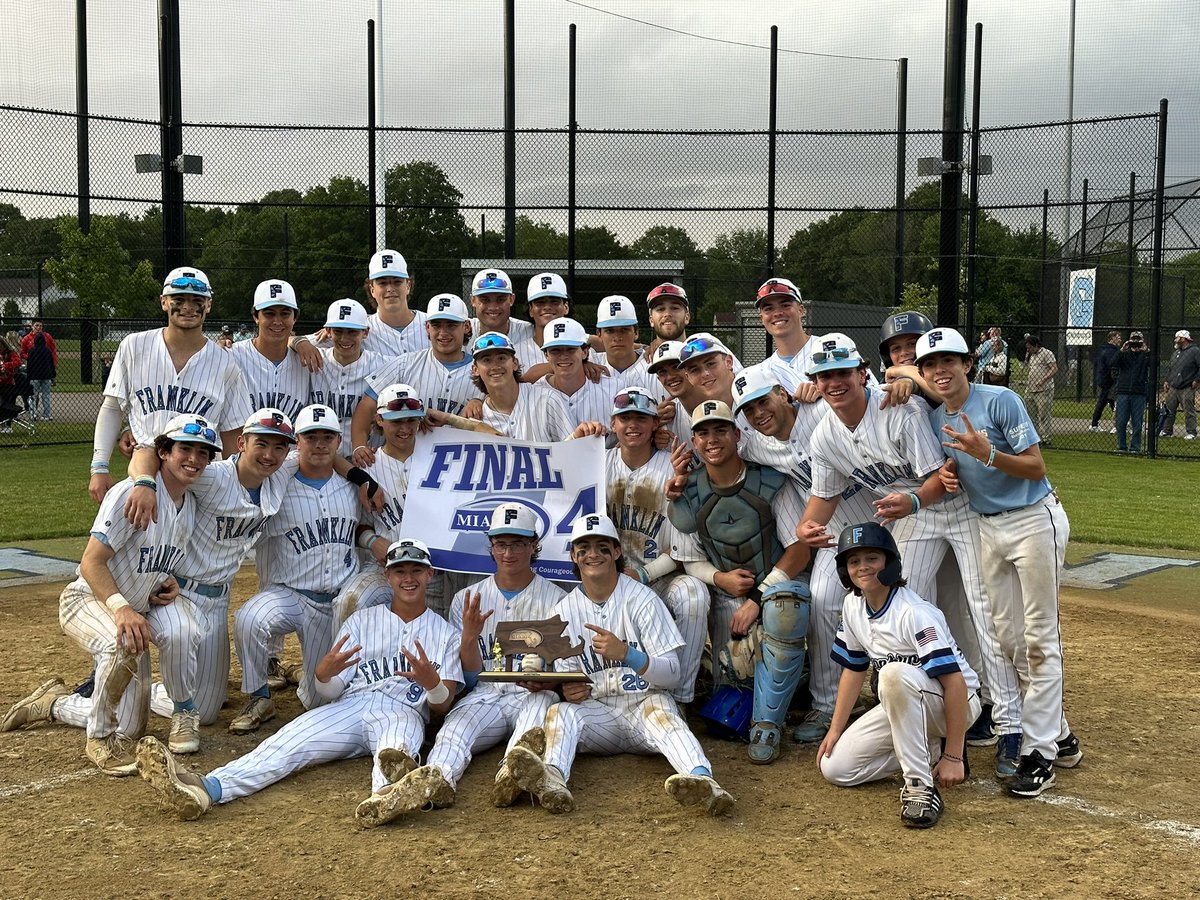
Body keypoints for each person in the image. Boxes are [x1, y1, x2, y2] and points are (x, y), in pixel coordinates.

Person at [796, 333, 1019, 757]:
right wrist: (806, 526)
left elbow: (944, 476)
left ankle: (1008, 723)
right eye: (825, 377)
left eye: (843, 372)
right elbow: (824, 497)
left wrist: (914, 499)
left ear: (863, 374)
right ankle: (920, 712)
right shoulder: (825, 434)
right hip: (913, 515)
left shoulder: (899, 409)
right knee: (899, 606)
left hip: (959, 506)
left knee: (986, 612)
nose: (834, 383)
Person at [136, 538, 462, 823]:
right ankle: (208, 788)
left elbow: (442, 704)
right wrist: (323, 675)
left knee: (395, 748)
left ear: (429, 575)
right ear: (387, 575)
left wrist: (432, 682)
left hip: (403, 710)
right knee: (286, 743)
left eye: (416, 570)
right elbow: (332, 689)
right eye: (401, 571)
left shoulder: (446, 634)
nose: (409, 578)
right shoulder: (362, 621)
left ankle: (386, 795)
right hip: (352, 706)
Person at [1, 415, 219, 774]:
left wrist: (171, 581)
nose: (194, 458)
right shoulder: (130, 495)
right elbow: (91, 563)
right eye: (185, 448)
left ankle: (54, 704)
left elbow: (156, 559)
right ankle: (99, 740)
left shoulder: (190, 507)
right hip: (88, 599)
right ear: (163, 451)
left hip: (136, 609)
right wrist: (120, 609)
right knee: (118, 647)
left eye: (203, 453)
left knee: (133, 724)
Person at [916, 326, 1082, 798]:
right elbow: (952, 470)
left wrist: (986, 453)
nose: (940, 370)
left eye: (949, 361)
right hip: (989, 527)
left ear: (969, 363)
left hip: (1033, 519)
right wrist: (950, 474)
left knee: (1038, 637)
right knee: (1008, 639)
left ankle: (1039, 754)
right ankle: (1060, 734)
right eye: (930, 365)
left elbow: (1035, 466)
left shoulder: (1001, 400)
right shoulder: (934, 421)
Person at [502, 513, 736, 817]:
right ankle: (553, 779)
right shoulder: (564, 610)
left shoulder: (642, 600)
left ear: (616, 552)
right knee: (559, 712)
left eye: (602, 547)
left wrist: (628, 654)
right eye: (583, 548)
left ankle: (704, 780)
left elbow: (673, 673)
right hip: (600, 716)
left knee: (665, 717)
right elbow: (567, 678)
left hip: (644, 705)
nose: (592, 554)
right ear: (573, 555)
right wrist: (563, 687)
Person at [364, 503, 567, 823]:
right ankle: (435, 781)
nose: (509, 552)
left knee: (539, 711)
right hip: (486, 691)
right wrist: (470, 639)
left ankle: (510, 775)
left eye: (518, 543)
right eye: (501, 544)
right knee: (454, 731)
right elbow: (471, 679)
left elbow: (563, 673)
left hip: (530, 693)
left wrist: (549, 681)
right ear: (492, 546)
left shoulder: (557, 598)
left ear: (533, 545)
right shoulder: (467, 598)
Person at [667, 400, 810, 764]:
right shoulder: (688, 490)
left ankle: (768, 725)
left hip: (776, 586)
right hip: (728, 593)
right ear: (694, 442)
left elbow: (799, 550)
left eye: (720, 430)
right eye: (702, 433)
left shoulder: (769, 479)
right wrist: (719, 578)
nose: (712, 440)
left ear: (736, 434)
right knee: (731, 698)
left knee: (785, 605)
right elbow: (687, 558)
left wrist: (758, 598)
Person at [817, 523, 981, 829]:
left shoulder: (914, 612)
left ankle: (921, 788)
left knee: (892, 675)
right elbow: (854, 670)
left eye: (872, 558)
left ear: (889, 562)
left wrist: (955, 755)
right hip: (909, 703)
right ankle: (929, 748)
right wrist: (835, 729)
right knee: (836, 767)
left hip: (955, 705)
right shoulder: (853, 605)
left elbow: (955, 682)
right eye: (854, 561)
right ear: (844, 570)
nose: (863, 567)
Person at [228, 404, 366, 734]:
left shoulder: (352, 488)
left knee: (320, 700)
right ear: (297, 442)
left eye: (327, 437)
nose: (319, 444)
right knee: (250, 618)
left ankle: (303, 675)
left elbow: (364, 530)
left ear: (338, 442)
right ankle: (258, 696)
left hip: (334, 604)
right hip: (289, 594)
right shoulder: (276, 482)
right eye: (310, 437)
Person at [90, 267, 251, 514]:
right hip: (144, 476)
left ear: (208, 305)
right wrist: (99, 467)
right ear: (164, 302)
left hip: (200, 482)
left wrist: (233, 487)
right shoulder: (134, 346)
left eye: (197, 300)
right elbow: (112, 408)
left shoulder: (226, 363)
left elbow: (232, 435)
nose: (188, 307)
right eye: (179, 299)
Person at [605, 386, 709, 703]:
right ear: (613, 424)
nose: (632, 425)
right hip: (608, 581)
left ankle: (679, 697)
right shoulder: (597, 465)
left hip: (659, 577)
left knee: (693, 593)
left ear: (655, 425)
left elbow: (683, 550)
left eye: (641, 417)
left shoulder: (673, 468)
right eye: (625, 418)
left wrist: (644, 575)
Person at [307, 299, 383, 458]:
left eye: (352, 331)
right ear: (328, 331)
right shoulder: (314, 358)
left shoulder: (382, 364)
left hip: (366, 460)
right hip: (320, 460)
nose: (344, 338)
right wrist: (299, 342)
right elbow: (282, 344)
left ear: (365, 332)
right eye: (338, 331)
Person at [228, 279, 310, 422]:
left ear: (295, 318)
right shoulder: (232, 355)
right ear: (256, 317)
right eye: (269, 314)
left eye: (285, 314)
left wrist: (300, 341)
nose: (277, 321)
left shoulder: (307, 359)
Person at [535, 317, 614, 429]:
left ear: (585, 352)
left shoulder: (614, 389)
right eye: (555, 350)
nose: (563, 356)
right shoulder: (534, 393)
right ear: (546, 355)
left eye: (570, 349)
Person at [469, 268, 533, 345]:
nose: (493, 307)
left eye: (501, 299)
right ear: (473, 300)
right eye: (485, 300)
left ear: (511, 299)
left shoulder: (530, 332)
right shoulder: (462, 331)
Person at [1112, 331, 1152, 453]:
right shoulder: (1124, 354)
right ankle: (1122, 446)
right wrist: (1122, 350)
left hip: (1139, 392)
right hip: (1123, 391)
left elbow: (1154, 364)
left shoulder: (1145, 355)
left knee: (1137, 422)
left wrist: (1147, 352)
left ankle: (1135, 447)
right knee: (1121, 421)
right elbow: (1113, 363)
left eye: (1138, 341)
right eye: (1133, 340)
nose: (1135, 344)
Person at [1159, 329, 1199, 439]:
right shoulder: (1176, 352)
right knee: (1169, 410)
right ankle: (1167, 430)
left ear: (1184, 339)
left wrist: (1197, 380)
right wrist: (1167, 380)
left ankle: (1191, 432)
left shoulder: (1194, 351)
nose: (1175, 340)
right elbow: (1171, 368)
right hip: (1173, 386)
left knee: (1188, 410)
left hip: (1187, 386)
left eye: (1177, 337)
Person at [1022, 335, 1057, 446]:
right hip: (1031, 388)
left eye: (1030, 347)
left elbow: (1054, 368)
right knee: (1031, 414)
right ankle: (1035, 437)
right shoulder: (1031, 355)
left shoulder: (1046, 353)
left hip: (1044, 388)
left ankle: (1046, 438)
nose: (1029, 350)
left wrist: (1043, 379)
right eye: (1027, 348)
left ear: (1036, 345)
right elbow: (1026, 368)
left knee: (1043, 414)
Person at [21, 319, 58, 420]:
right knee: (45, 395)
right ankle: (46, 414)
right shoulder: (26, 338)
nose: (39, 328)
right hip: (45, 373)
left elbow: (53, 350)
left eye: (41, 326)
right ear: (32, 327)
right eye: (37, 326)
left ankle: (34, 414)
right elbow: (22, 352)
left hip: (35, 373)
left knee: (34, 394)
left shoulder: (47, 337)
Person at [1089, 331, 1122, 432]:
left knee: (1108, 401)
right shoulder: (1110, 351)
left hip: (1104, 380)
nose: (1120, 339)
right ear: (1112, 339)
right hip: (1108, 381)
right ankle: (1096, 424)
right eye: (1118, 337)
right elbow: (1112, 365)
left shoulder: (1104, 350)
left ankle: (1116, 424)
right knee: (1106, 401)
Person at [0, 335, 20, 433]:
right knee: (1, 404)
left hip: (9, 384)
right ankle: (2, 424)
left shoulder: (11, 353)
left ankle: (8, 425)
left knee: (8, 405)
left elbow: (17, 362)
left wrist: (5, 365)